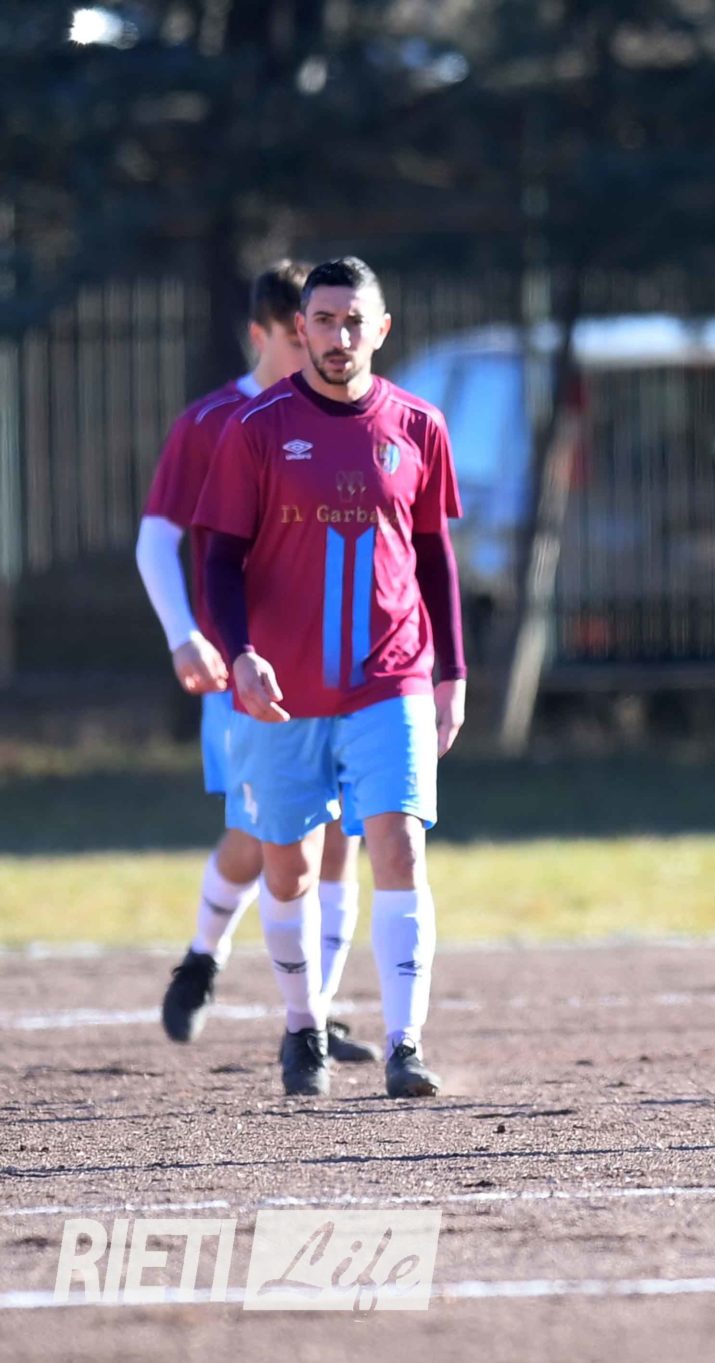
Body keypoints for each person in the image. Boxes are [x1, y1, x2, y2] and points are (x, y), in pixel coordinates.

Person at [194, 255, 466, 1099]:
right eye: (323, 320)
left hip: (391, 677)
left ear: (380, 329)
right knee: (289, 869)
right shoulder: (257, 428)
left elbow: (434, 556)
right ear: (300, 329)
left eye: (354, 321)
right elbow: (219, 559)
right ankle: (302, 1026)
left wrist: (452, 671)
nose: (339, 336)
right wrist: (240, 652)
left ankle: (404, 1044)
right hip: (283, 692)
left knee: (399, 844)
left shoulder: (418, 425)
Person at [137, 260, 374, 1064]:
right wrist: (186, 634)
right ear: (265, 334)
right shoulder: (213, 422)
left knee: (340, 836)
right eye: (300, 334)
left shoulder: (346, 412)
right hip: (243, 673)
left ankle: (316, 1014)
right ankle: (203, 955)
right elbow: (156, 541)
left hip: (334, 671)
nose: (320, 346)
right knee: (258, 839)